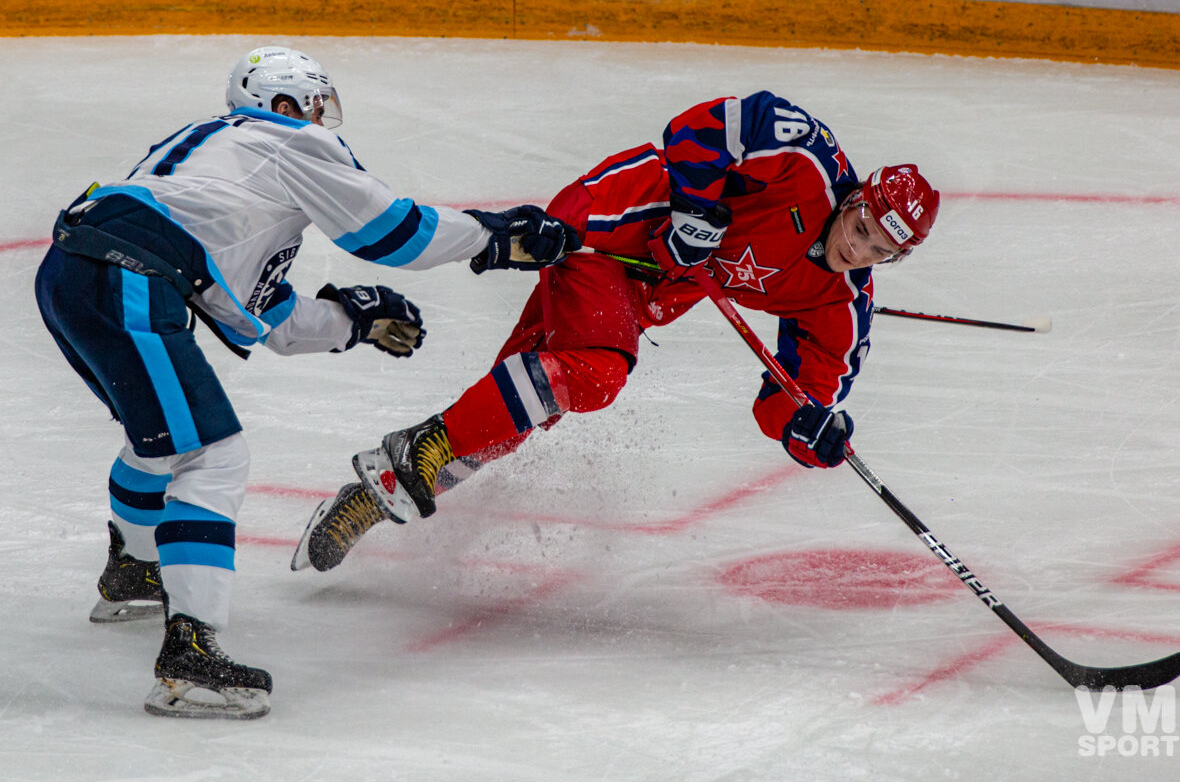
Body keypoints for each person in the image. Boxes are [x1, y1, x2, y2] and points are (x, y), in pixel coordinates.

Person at [34, 46, 576, 719]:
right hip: (130, 282)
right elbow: (392, 232)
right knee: (212, 453)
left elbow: (266, 315)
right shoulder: (284, 141)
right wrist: (495, 237)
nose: (324, 119)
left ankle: (133, 572)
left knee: (163, 440)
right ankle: (189, 659)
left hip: (72, 271)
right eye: (316, 104)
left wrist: (354, 319)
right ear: (285, 105)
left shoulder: (214, 162)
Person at [292, 90, 939, 575]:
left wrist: (808, 430)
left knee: (523, 409)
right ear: (856, 198)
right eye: (861, 230)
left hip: (644, 289)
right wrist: (698, 208)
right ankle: (416, 450)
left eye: (880, 251)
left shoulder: (841, 303)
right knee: (597, 374)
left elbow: (794, 398)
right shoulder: (805, 161)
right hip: (607, 226)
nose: (860, 251)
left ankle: (377, 490)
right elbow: (699, 128)